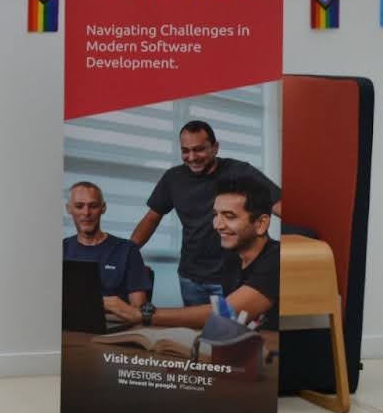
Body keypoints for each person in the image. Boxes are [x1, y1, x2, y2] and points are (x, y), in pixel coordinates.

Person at [130, 121, 281, 307]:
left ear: (215, 147)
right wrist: (127, 252)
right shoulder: (173, 178)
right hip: (190, 278)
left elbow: (278, 205)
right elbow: (152, 218)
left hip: (230, 276)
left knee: (233, 331)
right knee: (197, 333)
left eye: (199, 149)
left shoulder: (240, 171)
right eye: (185, 150)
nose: (192, 157)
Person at [107, 178, 279, 331]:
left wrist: (142, 314)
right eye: (215, 215)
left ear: (261, 223)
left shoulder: (277, 259)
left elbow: (226, 313)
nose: (217, 225)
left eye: (229, 216)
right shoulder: (232, 258)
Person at [63, 181, 152, 324]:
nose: (86, 213)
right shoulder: (60, 249)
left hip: (114, 330)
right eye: (79, 206)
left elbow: (138, 312)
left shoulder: (127, 250)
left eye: (93, 206)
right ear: (68, 209)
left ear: (103, 208)